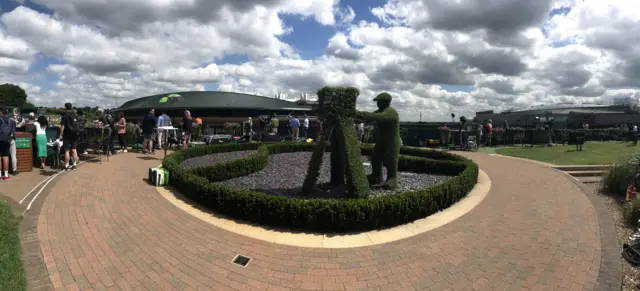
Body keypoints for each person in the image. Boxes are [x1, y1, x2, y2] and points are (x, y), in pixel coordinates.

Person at [59, 102, 80, 170]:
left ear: (65, 107)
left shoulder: (65, 115)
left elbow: (62, 126)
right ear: (71, 107)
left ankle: (67, 165)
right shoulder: (74, 114)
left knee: (67, 150)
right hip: (74, 134)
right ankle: (74, 164)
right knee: (74, 149)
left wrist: (61, 135)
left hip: (67, 134)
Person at [0, 109, 15, 180]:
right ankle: (6, 175)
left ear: (1, 113)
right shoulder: (11, 121)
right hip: (7, 140)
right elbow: (12, 132)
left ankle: (0, 175)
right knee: (6, 157)